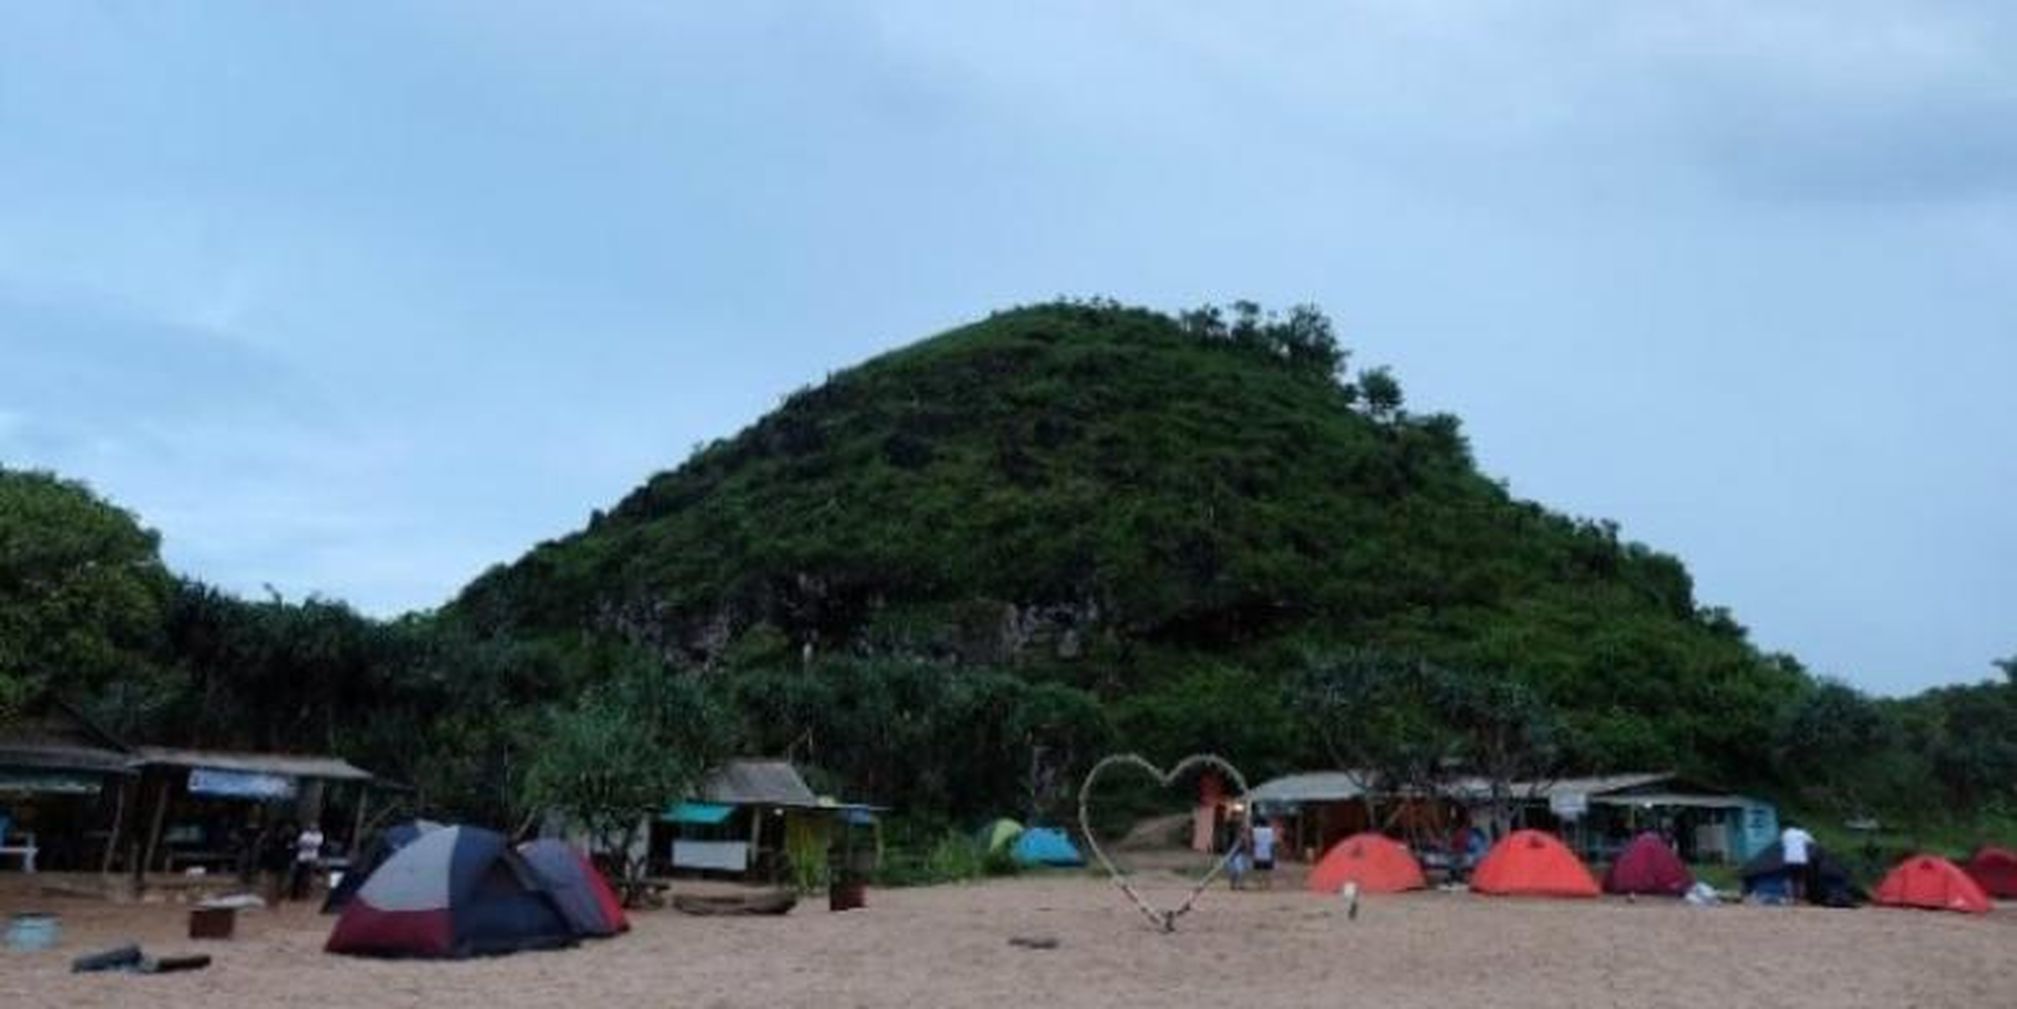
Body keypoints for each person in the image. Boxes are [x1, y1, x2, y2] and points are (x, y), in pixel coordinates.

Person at [1780, 821, 1814, 904]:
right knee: (1801, 880)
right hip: (1801, 860)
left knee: (1788, 879)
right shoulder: (1803, 833)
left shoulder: (1785, 833)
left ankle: (1790, 898)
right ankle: (1800, 899)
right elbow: (1812, 843)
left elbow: (1782, 845)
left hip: (1789, 859)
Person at [291, 820, 325, 901]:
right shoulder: (305, 834)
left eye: (315, 826)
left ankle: (305, 894)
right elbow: (300, 843)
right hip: (302, 858)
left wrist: (307, 844)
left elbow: (316, 844)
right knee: (298, 876)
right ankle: (295, 894)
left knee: (308, 876)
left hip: (312, 858)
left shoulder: (319, 835)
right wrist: (308, 844)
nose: (313, 827)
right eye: (312, 826)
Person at [1250, 815, 1277, 889]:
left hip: (1258, 852)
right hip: (1268, 852)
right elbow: (1273, 843)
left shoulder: (1255, 830)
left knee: (1259, 870)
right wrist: (1273, 853)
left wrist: (1251, 851)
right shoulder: (1270, 830)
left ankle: (1260, 885)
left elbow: (1253, 841)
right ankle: (1268, 885)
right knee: (1268, 870)